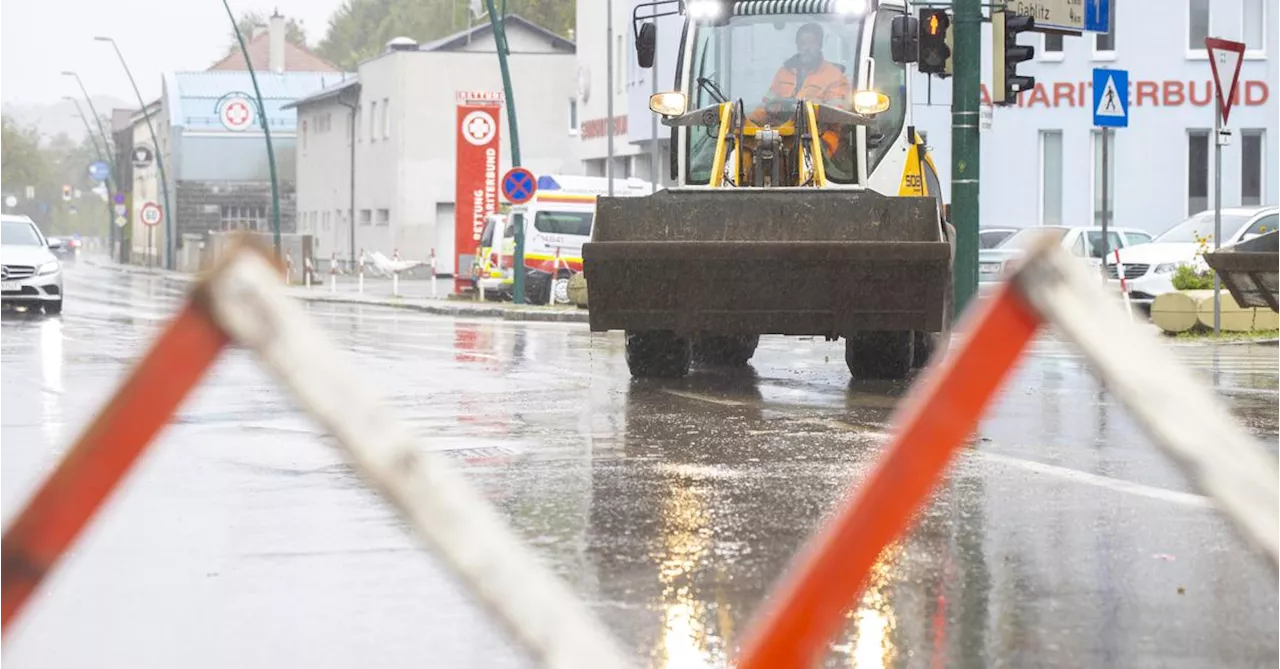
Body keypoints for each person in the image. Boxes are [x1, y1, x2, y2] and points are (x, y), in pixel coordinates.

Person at [750, 22, 851, 155]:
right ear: (797, 46)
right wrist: (747, 122)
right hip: (781, 132)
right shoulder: (784, 72)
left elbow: (836, 115)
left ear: (820, 45)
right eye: (803, 43)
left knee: (808, 156)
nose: (806, 48)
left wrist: (805, 113)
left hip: (818, 134)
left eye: (811, 43)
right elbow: (766, 105)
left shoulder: (834, 76)